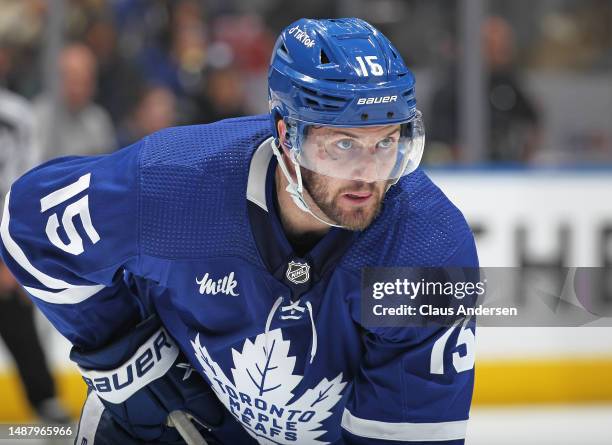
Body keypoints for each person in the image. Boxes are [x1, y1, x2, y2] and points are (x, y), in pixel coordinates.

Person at [0, 18, 478, 444]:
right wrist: (127, 359)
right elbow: (30, 224)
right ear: (286, 135)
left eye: (387, 142)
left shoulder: (428, 251)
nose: (369, 174)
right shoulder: (175, 181)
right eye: (343, 144)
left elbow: (407, 433)